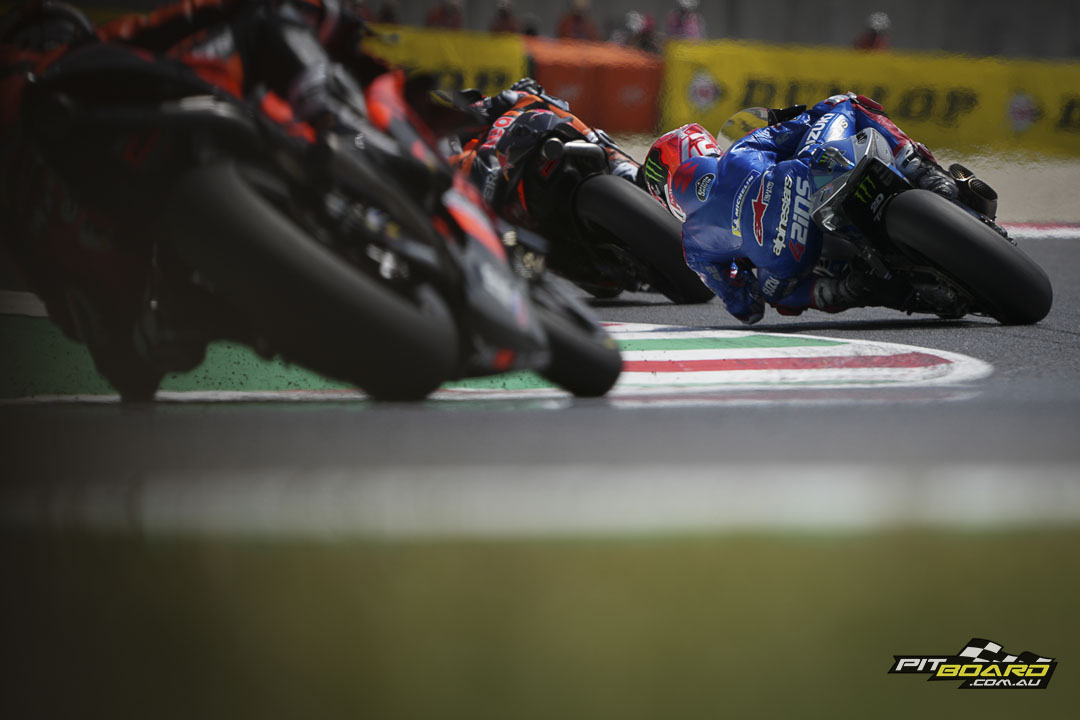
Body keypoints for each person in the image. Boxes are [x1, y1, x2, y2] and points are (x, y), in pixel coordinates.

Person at [638, 92, 973, 324]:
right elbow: (802, 124)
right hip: (809, 179)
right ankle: (924, 171)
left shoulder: (693, 246)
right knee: (845, 102)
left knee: (775, 293)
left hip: (785, 257)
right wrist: (799, 117)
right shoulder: (741, 149)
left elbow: (747, 308)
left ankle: (858, 290)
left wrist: (744, 256)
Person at [448, 78, 639, 221]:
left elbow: (513, 100)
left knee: (531, 99)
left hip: (517, 160)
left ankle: (618, 162)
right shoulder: (444, 145)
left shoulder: (508, 102)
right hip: (485, 204)